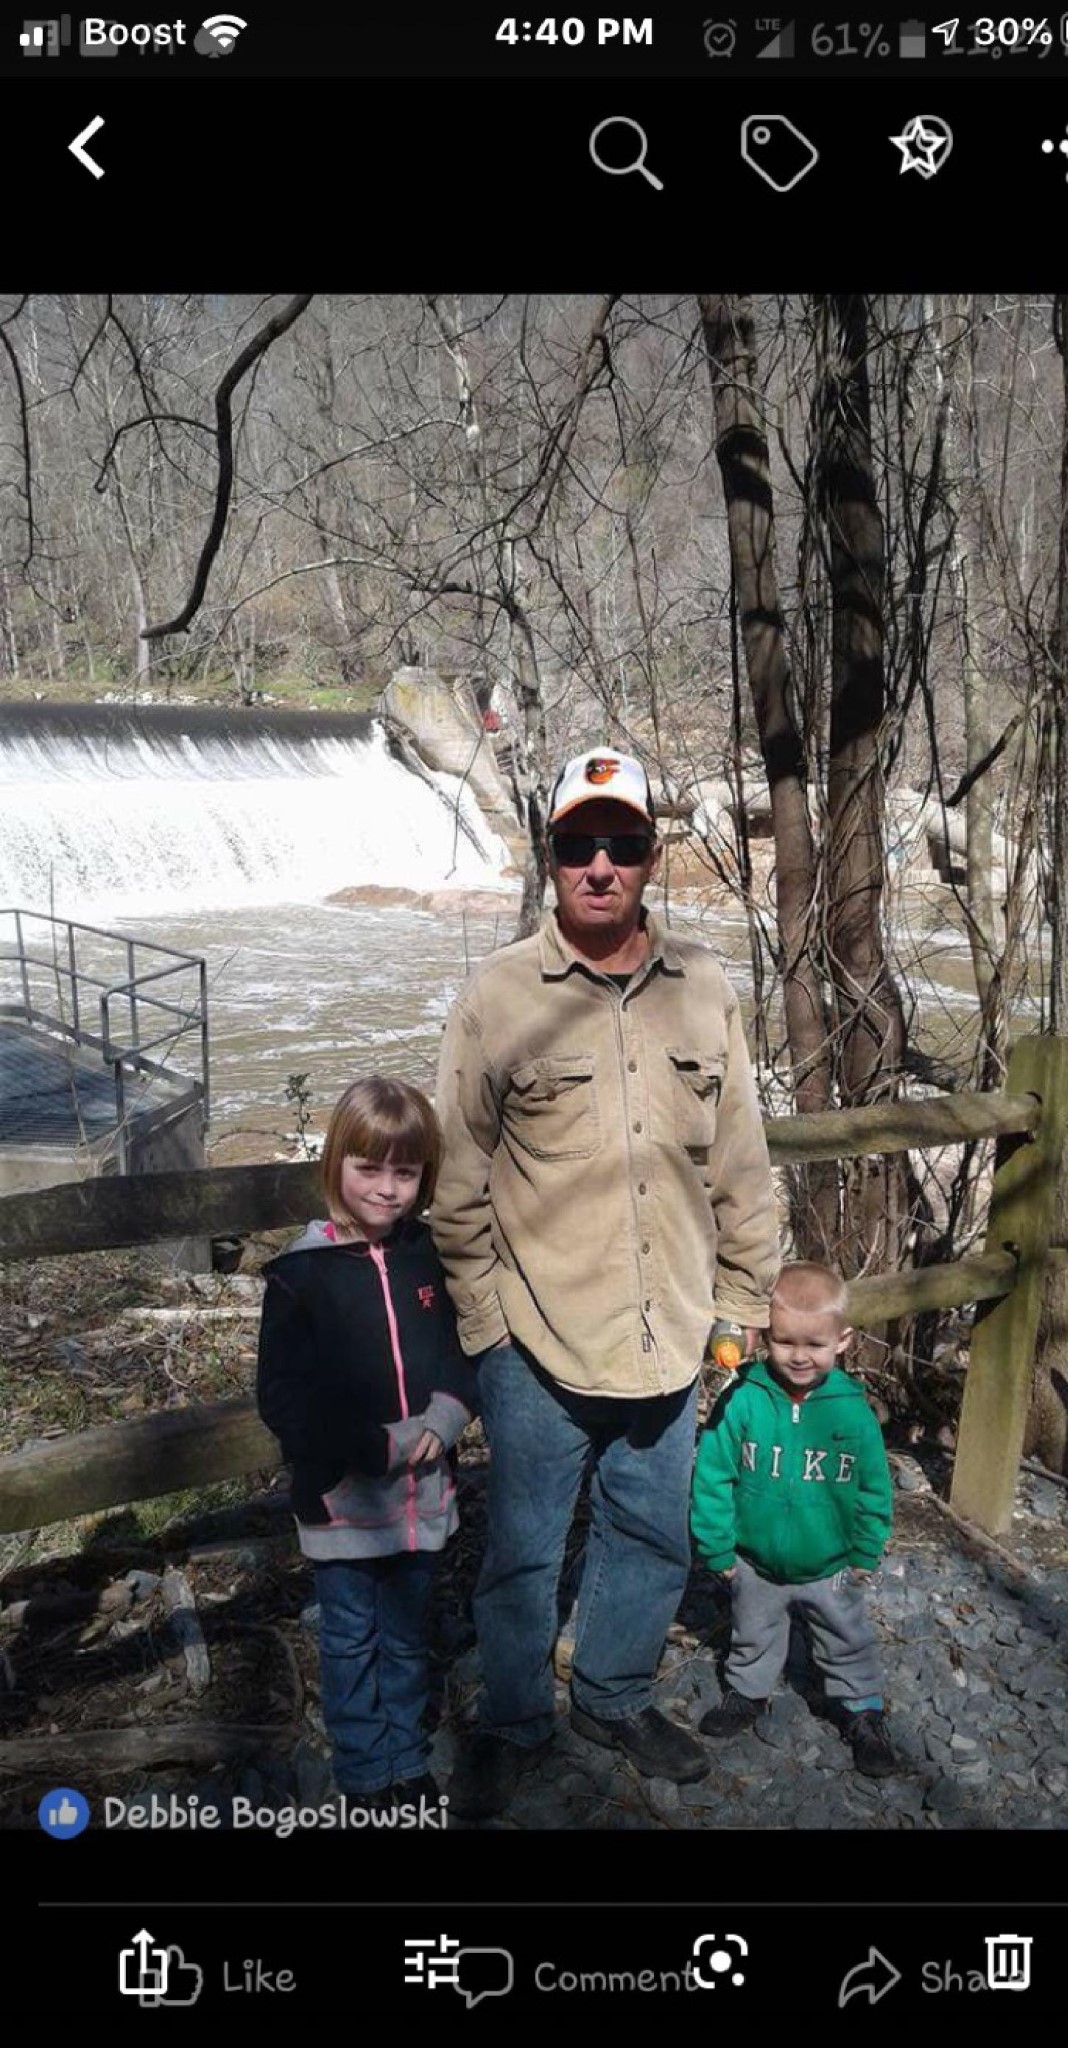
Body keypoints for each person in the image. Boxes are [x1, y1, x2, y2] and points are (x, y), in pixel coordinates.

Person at [431, 746, 780, 1818]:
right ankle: (511, 1723)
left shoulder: (704, 988)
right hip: (535, 1338)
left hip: (671, 1331)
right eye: (578, 844)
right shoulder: (498, 996)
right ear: (550, 857)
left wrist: (740, 1306)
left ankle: (614, 1695)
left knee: (650, 1531)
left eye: (620, 843)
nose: (598, 865)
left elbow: (741, 1162)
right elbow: (455, 1177)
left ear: (649, 857)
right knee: (521, 1552)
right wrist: (487, 1327)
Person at [257, 1076, 474, 1813]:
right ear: (335, 1165)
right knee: (350, 1638)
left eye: (405, 1172)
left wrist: (447, 1415)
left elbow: (459, 1351)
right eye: (369, 1168)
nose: (386, 1188)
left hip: (423, 1495)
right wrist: (372, 1448)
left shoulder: (426, 1256)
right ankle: (363, 1772)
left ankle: (405, 1757)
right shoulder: (300, 1276)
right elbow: (283, 1399)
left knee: (408, 1634)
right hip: (343, 1498)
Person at [690, 1259, 899, 1777]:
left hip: (831, 1564)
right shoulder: (743, 1400)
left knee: (845, 1637)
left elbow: (875, 1488)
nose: (799, 1356)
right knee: (752, 1631)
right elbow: (712, 1474)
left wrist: (865, 1550)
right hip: (755, 1561)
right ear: (765, 1336)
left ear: (842, 1340)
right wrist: (717, 1546)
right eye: (784, 1342)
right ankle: (748, 1692)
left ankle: (862, 1711)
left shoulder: (852, 1413)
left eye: (814, 1344)